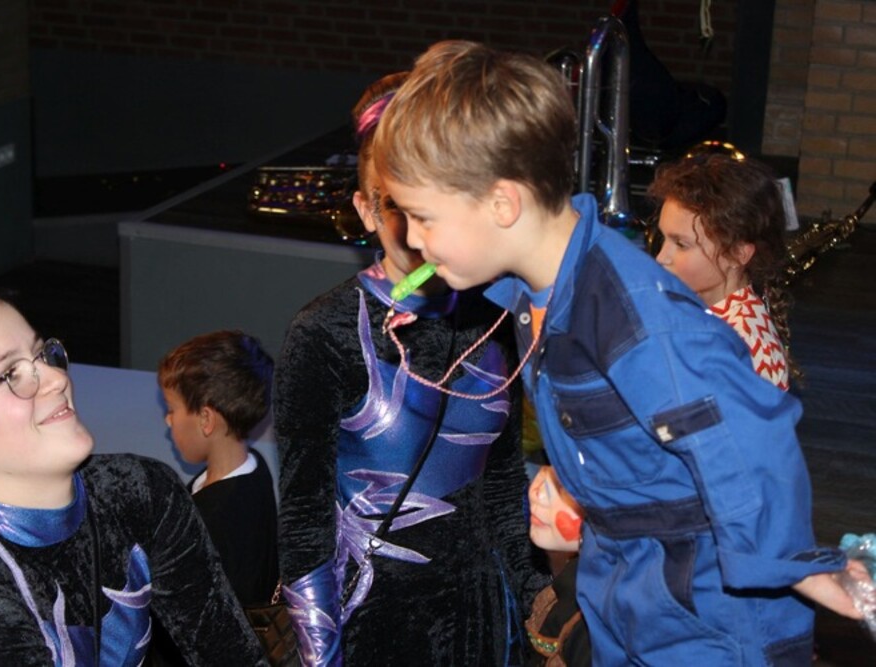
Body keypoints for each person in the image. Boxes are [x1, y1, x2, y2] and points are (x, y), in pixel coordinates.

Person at [372, 40, 867, 666]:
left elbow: (748, 437)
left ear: (502, 203)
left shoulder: (631, 316)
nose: (412, 239)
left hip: (708, 623)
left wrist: (795, 563)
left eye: (423, 218)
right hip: (630, 595)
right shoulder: (538, 292)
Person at [274, 72, 544, 666]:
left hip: (482, 618)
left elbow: (502, 485)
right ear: (366, 210)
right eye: (396, 202)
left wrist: (535, 603)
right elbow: (304, 521)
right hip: (376, 624)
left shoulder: (495, 315)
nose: (416, 224)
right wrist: (322, 655)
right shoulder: (325, 333)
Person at [0, 289, 265, 666]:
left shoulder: (141, 490)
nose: (56, 378)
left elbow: (230, 652)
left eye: (42, 353)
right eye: (10, 373)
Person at [649, 152, 794, 389]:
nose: (661, 257)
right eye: (663, 238)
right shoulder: (699, 309)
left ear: (737, 254)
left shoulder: (742, 348)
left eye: (681, 244)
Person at [157, 330, 279, 606]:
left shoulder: (216, 523)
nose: (168, 420)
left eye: (172, 409)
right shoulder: (253, 465)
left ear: (206, 420)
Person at [525, 466, 589, 667]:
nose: (536, 491)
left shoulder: (591, 631)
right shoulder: (573, 583)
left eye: (566, 484)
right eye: (549, 464)